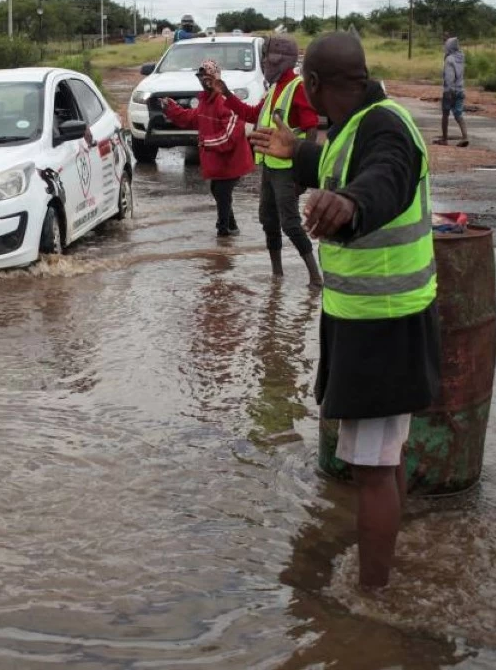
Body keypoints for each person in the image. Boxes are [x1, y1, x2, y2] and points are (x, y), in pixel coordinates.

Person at [249, 32, 441, 588]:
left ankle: (372, 600)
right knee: (385, 457)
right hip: (365, 319)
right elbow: (341, 166)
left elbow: (385, 178)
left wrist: (352, 204)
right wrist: (299, 154)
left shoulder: (387, 126)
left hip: (386, 324)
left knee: (373, 469)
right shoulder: (353, 123)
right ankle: (388, 566)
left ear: (311, 85)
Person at [221, 35, 322, 286]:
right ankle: (277, 274)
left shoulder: (296, 87)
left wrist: (303, 174)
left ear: (282, 61)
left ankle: (315, 277)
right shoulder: (274, 88)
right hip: (269, 166)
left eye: (268, 58)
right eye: (264, 58)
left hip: (288, 170)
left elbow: (311, 129)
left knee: (290, 223)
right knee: (268, 220)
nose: (265, 63)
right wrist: (225, 93)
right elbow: (252, 113)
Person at [162, 59, 254, 236]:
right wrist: (171, 109)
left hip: (232, 162)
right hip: (218, 162)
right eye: (201, 78)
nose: (204, 81)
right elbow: (191, 118)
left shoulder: (227, 101)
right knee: (219, 191)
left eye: (208, 78)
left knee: (221, 191)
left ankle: (223, 231)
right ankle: (231, 228)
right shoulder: (205, 101)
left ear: (216, 78)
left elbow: (229, 136)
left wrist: (206, 142)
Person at [440, 35, 468, 147]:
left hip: (450, 90)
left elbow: (449, 77)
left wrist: (448, 91)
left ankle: (444, 139)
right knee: (458, 114)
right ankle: (465, 136)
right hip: (460, 89)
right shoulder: (461, 58)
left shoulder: (449, 59)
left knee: (445, 114)